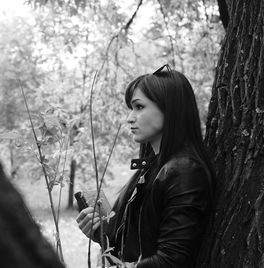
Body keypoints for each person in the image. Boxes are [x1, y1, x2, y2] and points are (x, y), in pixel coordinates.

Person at [76, 64, 216, 267]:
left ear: (170, 108)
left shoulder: (185, 171)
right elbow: (135, 245)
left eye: (139, 107)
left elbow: (172, 260)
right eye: (131, 108)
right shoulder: (153, 167)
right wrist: (101, 233)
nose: (129, 118)